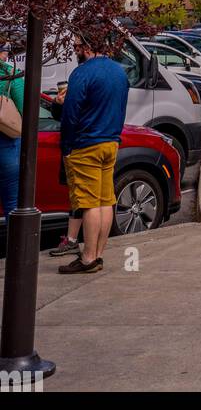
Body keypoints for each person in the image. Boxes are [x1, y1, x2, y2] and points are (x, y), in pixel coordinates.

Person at [52, 24, 129, 275]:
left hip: (85, 144)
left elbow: (70, 115)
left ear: (86, 45)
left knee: (88, 204)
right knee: (106, 200)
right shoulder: (119, 72)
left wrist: (67, 147)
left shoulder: (81, 74)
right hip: (111, 141)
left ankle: (87, 258)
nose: (75, 49)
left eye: (76, 45)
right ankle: (98, 255)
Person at [0, 41, 24, 217]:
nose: (7, 54)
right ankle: (14, 244)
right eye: (5, 50)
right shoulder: (11, 74)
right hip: (6, 142)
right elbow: (25, 109)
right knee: (12, 202)